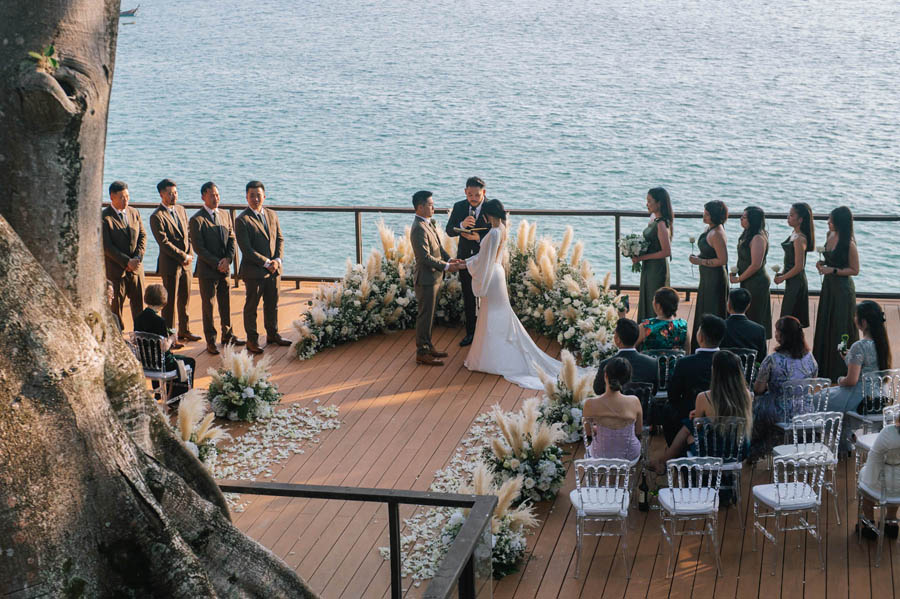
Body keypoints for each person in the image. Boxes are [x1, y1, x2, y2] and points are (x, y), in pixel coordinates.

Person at [462, 199, 595, 388]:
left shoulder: (493, 233)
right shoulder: (501, 229)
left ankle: (491, 359)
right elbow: (487, 257)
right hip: (497, 274)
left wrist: (465, 264)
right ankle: (495, 355)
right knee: (499, 315)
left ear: (488, 214)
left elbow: (484, 260)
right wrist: (469, 261)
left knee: (491, 315)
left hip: (492, 276)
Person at [651, 350, 753, 473]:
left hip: (711, 453)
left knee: (688, 429)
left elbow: (697, 427)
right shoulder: (747, 395)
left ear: (715, 371)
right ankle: (665, 461)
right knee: (689, 426)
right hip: (738, 451)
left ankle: (665, 461)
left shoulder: (704, 397)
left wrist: (698, 416)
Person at [826, 300, 892, 452]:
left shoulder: (859, 346)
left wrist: (839, 380)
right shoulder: (882, 344)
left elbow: (851, 380)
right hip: (880, 397)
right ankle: (848, 440)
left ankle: (843, 443)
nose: (854, 319)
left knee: (820, 399)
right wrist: (848, 358)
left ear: (864, 322)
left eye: (856, 316)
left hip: (862, 398)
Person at [750, 316, 818, 461]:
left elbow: (758, 389)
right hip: (805, 410)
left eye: (777, 331)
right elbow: (812, 382)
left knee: (754, 407)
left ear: (783, 335)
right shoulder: (810, 358)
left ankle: (757, 449)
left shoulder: (772, 359)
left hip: (780, 410)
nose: (775, 334)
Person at [235, 180, 291, 354]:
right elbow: (246, 249)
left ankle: (272, 334)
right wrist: (267, 263)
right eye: (252, 195)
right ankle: (252, 340)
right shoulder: (242, 220)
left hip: (274, 270)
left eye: (258, 195)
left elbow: (279, 239)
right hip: (254, 271)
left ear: (264, 196)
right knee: (252, 307)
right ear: (246, 197)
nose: (255, 199)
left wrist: (277, 261)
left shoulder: (272, 215)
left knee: (272, 304)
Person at [189, 181, 245, 355]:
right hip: (208, 270)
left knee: (225, 303)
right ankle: (211, 340)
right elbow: (199, 248)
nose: (216, 198)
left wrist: (228, 259)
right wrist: (217, 263)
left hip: (225, 269)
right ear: (203, 197)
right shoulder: (197, 220)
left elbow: (232, 239)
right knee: (209, 306)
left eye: (217, 195)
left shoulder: (225, 215)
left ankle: (228, 335)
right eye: (212, 195)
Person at [410, 191, 464, 365]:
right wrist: (447, 267)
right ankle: (422, 351)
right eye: (431, 205)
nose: (434, 207)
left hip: (433, 277)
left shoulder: (427, 223)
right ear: (420, 207)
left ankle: (428, 345)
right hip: (426, 279)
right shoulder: (418, 228)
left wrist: (449, 259)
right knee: (425, 316)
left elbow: (438, 248)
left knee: (430, 315)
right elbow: (424, 257)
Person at [149, 178, 199, 347]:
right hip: (170, 264)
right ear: (161, 195)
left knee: (185, 299)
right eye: (170, 193)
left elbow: (189, 233)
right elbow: (164, 243)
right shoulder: (156, 216)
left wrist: (189, 254)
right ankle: (170, 336)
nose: (174, 196)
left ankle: (185, 329)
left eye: (175, 193)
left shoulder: (181, 210)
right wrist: (182, 256)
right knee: (169, 303)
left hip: (186, 263)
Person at [663, 314, 725, 446]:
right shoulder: (729, 361)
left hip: (690, 413)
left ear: (700, 337)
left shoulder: (685, 363)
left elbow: (672, 395)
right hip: (724, 414)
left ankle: (676, 449)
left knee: (668, 409)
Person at [813, 206, 860, 381]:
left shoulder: (849, 244)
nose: (828, 222)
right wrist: (822, 264)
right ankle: (823, 365)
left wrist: (832, 270)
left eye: (831, 220)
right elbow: (830, 259)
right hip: (829, 287)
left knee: (840, 325)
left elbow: (855, 270)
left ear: (839, 222)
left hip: (842, 289)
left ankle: (841, 368)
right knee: (826, 322)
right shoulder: (830, 235)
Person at [445, 177, 491, 347]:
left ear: (483, 192)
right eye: (470, 194)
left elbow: (499, 233)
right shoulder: (459, 207)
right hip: (464, 258)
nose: (473, 198)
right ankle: (471, 333)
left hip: (485, 258)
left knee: (487, 296)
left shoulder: (492, 207)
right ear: (465, 192)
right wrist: (462, 225)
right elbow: (449, 231)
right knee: (468, 296)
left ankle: (487, 332)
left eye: (477, 195)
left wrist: (478, 237)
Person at [133, 284, 196, 399]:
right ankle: (178, 397)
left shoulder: (138, 318)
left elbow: (136, 341)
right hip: (162, 365)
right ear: (163, 301)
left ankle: (159, 392)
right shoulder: (159, 321)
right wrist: (172, 338)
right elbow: (164, 347)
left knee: (156, 356)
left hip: (146, 363)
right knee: (190, 361)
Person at [102, 180, 146, 326]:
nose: (125, 200)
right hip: (116, 271)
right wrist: (127, 262)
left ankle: (140, 335)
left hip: (136, 270)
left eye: (127, 196)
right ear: (112, 197)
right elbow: (107, 246)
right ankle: (118, 335)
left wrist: (137, 258)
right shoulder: (104, 217)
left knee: (139, 307)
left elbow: (142, 236)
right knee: (116, 308)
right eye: (121, 197)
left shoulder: (134, 212)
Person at [583, 358, 643, 462]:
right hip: (629, 456)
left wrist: (603, 429)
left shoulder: (590, 404)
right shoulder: (634, 401)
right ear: (627, 378)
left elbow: (588, 433)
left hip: (600, 455)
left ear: (605, 375)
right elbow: (638, 431)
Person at [689, 201, 728, 352]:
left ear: (714, 216)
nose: (703, 216)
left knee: (712, 309)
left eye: (707, 214)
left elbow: (722, 260)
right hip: (706, 276)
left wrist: (700, 261)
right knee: (704, 307)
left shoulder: (717, 233)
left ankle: (711, 346)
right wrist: (699, 257)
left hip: (714, 278)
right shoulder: (710, 229)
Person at [729, 206, 772, 338]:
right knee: (748, 314)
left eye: (744, 217)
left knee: (755, 316)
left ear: (752, 220)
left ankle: (756, 343)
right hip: (748, 279)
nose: (741, 219)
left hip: (756, 281)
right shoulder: (748, 234)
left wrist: (739, 279)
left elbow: (755, 265)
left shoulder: (758, 238)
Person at [633, 187, 673, 322]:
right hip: (650, 266)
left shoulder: (661, 224)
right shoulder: (656, 220)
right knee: (648, 296)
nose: (647, 204)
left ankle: (652, 329)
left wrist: (642, 257)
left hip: (656, 268)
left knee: (654, 299)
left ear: (659, 203)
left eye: (650, 201)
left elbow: (666, 251)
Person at [773, 203, 814, 327]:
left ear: (800, 219)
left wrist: (782, 277)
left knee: (790, 317)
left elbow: (799, 266)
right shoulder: (794, 233)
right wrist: (783, 273)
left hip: (796, 282)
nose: (788, 217)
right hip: (791, 279)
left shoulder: (799, 239)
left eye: (791, 215)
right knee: (789, 316)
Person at [857, 423, 900, 540]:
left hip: (882, 487)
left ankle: (869, 523)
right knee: (895, 481)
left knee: (866, 476)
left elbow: (873, 459)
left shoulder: (889, 432)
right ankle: (891, 522)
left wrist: (867, 481)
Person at [594, 318, 659, 394]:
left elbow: (598, 391)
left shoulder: (606, 364)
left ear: (618, 340)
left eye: (615, 335)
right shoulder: (653, 363)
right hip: (642, 401)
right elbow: (654, 391)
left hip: (616, 402)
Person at [721, 288, 767, 362]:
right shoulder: (759, 330)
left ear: (729, 305)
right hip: (748, 369)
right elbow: (762, 360)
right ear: (748, 306)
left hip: (723, 368)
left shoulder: (718, 327)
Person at [637, 286, 689, 351]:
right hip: (676, 358)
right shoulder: (682, 326)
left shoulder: (646, 326)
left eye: (654, 300)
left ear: (658, 306)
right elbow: (687, 351)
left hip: (649, 358)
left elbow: (630, 346)